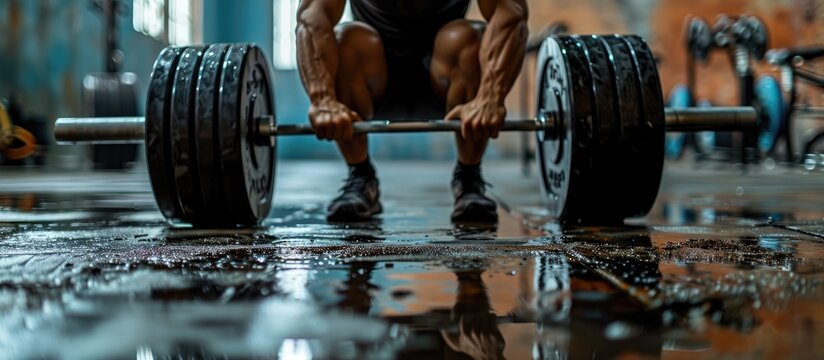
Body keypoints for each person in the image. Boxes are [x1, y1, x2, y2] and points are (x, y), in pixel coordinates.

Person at [296, 0, 528, 223]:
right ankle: (361, 177)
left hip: (447, 81)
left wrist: (490, 96)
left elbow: (510, 11)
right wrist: (323, 99)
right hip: (371, 82)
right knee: (348, 39)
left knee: (468, 36)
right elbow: (312, 15)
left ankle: (468, 179)